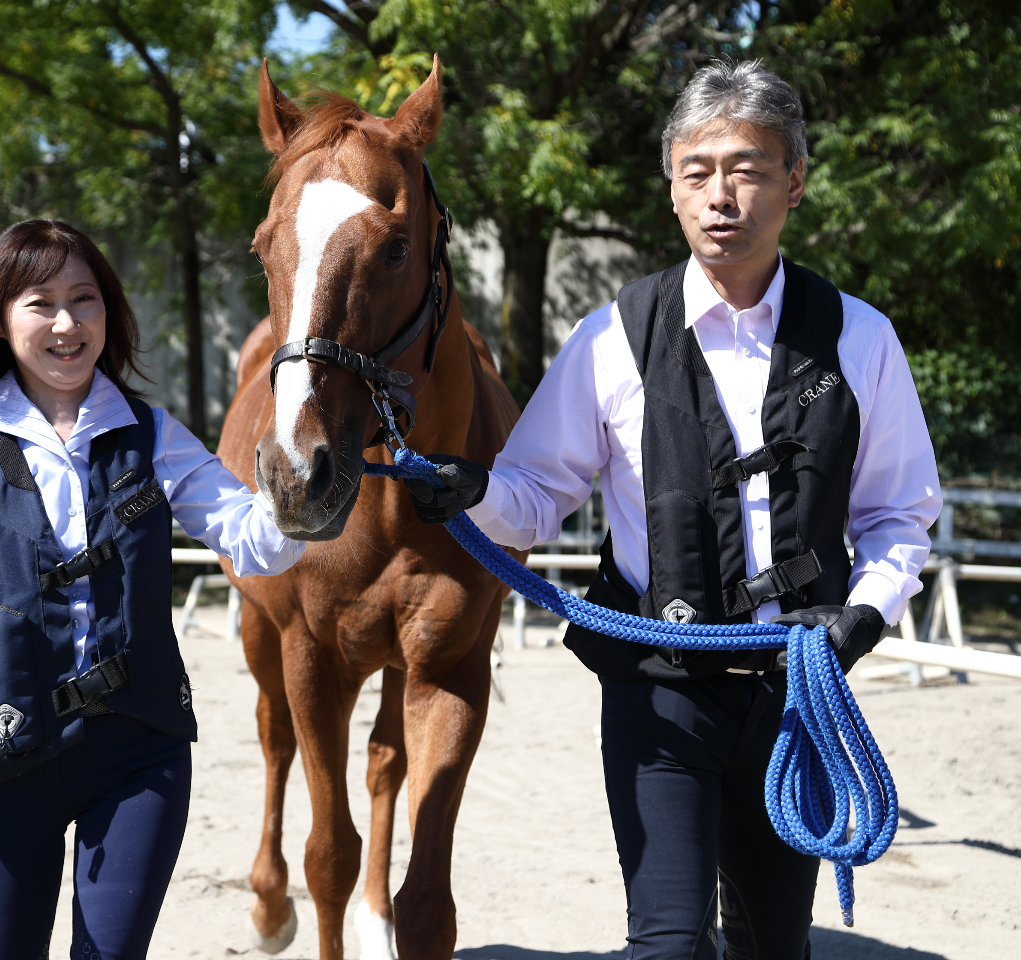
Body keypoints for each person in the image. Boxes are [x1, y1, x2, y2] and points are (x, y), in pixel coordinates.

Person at [405, 61, 941, 959]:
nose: (721, 195)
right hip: (658, 689)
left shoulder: (860, 337)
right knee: (664, 944)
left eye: (748, 168)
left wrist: (865, 614)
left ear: (794, 182)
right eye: (697, 172)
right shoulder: (610, 336)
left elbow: (899, 516)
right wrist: (472, 492)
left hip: (794, 689)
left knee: (774, 945)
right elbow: (535, 495)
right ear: (672, 188)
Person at [0, 219, 304, 959]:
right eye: (41, 303)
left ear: (109, 311)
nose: (68, 323)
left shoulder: (153, 433)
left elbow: (254, 540)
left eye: (85, 299)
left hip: (138, 753)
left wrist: (317, 486)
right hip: (1, 755)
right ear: (0, 319)